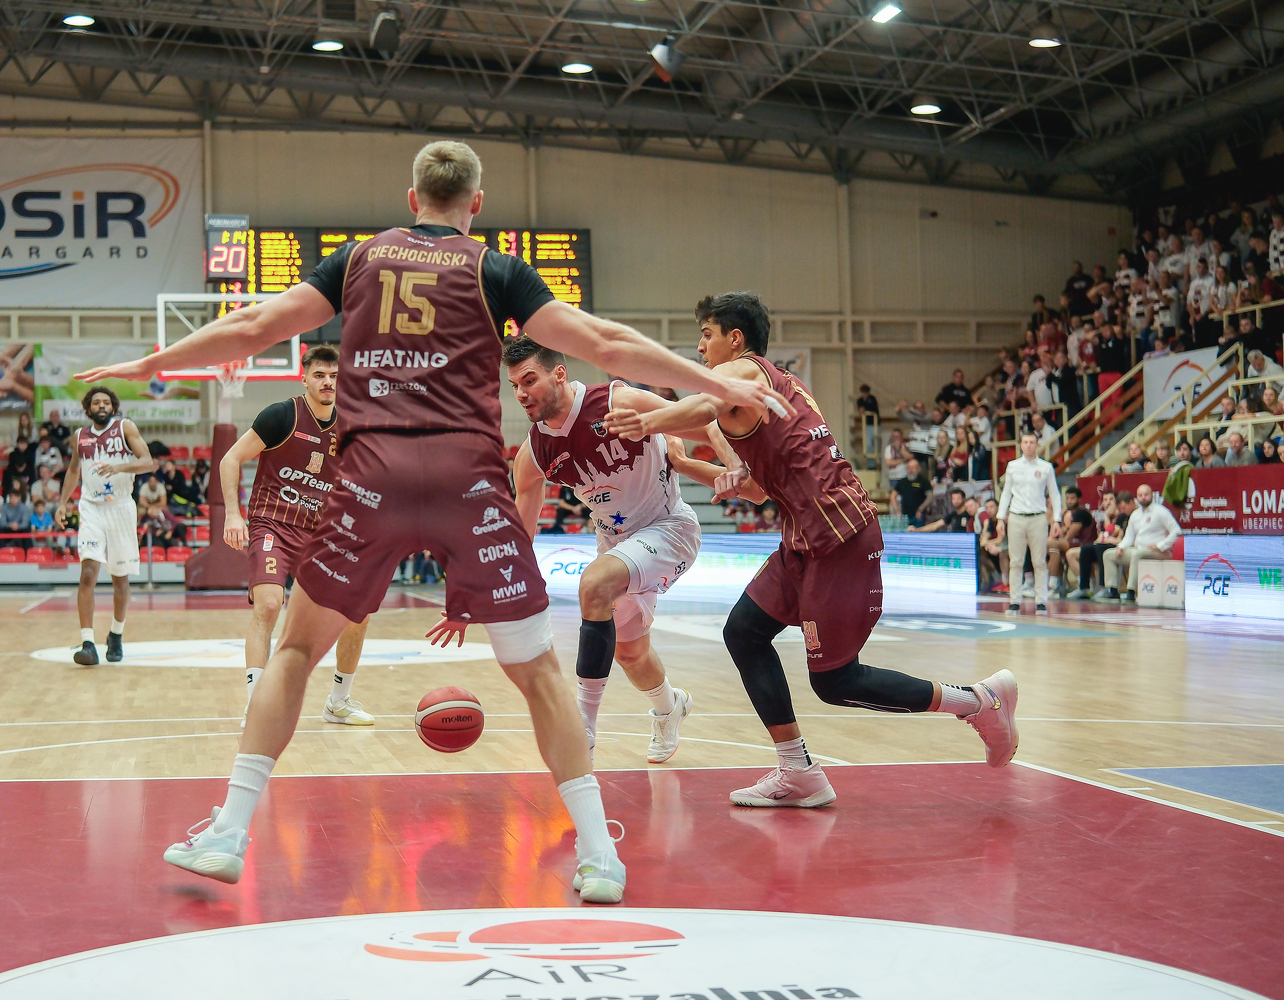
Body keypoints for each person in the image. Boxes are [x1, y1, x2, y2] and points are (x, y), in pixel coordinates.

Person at [77, 141, 785, 902]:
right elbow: (608, 342)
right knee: (537, 672)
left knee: (295, 652)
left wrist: (151, 365)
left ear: (412, 198)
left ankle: (228, 832)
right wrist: (713, 382)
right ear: (476, 204)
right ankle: (596, 855)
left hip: (372, 480)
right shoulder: (495, 268)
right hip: (467, 485)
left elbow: (256, 323)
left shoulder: (358, 259)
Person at [603, 290, 1019, 812]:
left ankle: (978, 702)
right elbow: (753, 485)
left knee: (836, 680)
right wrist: (691, 464)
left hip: (840, 538)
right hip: (804, 538)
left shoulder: (746, 373)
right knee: (744, 632)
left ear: (736, 338)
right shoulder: (766, 390)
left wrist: (646, 422)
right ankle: (797, 770)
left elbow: (703, 406)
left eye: (706, 335)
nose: (700, 347)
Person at [504, 336, 704, 766]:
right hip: (616, 544)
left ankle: (583, 727)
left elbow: (701, 419)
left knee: (593, 584)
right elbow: (523, 526)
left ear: (559, 374)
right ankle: (670, 707)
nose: (520, 392)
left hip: (668, 527)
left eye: (529, 380)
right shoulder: (535, 451)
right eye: (514, 385)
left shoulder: (615, 400)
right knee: (631, 653)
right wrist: (500, 585)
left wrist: (732, 461)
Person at [217, 345, 375, 729]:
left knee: (359, 612)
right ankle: (257, 704)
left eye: (334, 376)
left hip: (321, 532)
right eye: (320, 375)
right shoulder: (282, 415)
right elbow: (230, 459)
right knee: (269, 605)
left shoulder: (351, 427)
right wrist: (233, 515)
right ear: (304, 378)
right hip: (273, 523)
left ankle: (338, 701)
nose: (327, 382)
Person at [54, 387, 156, 666]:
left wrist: (119, 468)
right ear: (88, 409)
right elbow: (73, 470)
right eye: (96, 402)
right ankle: (88, 643)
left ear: (113, 407)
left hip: (121, 508)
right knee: (88, 572)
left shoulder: (125, 428)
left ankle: (116, 635)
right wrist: (62, 503)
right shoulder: (80, 436)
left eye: (106, 402)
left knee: (120, 580)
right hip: (91, 508)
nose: (102, 406)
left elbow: (148, 462)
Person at [996, 431, 1061, 614]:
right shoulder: (1012, 466)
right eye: (1025, 442)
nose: (1029, 445)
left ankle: (1041, 601)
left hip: (1038, 517)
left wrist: (1057, 519)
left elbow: (1054, 493)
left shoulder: (1046, 467)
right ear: (1021, 445)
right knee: (1016, 561)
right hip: (1016, 516)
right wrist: (1000, 517)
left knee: (1039, 561)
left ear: (1037, 444)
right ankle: (1014, 601)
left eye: (1032, 442)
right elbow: (1006, 493)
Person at [1097, 484, 1180, 601]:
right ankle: (1112, 590)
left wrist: (1160, 545)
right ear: (1137, 497)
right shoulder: (1135, 515)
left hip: (1158, 552)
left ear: (1152, 495)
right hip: (1139, 551)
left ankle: (1131, 591)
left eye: (1146, 495)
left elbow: (1176, 531)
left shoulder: (1161, 511)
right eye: (1140, 495)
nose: (1143, 498)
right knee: (1108, 554)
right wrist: (1121, 546)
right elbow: (1129, 536)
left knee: (1136, 554)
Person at [1048, 487, 1095, 598]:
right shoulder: (1072, 514)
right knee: (1053, 549)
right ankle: (1056, 585)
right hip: (1077, 544)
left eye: (1072, 498)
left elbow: (1069, 536)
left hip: (1086, 545)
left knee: (1052, 544)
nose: (1069, 501)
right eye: (1067, 498)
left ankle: (1054, 586)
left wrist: (1064, 531)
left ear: (1079, 499)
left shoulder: (1081, 513)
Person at [890, 457, 933, 526]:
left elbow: (930, 496)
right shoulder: (902, 482)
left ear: (919, 469)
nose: (911, 470)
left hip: (919, 515)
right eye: (909, 468)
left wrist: (920, 509)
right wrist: (897, 510)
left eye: (913, 468)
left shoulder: (924, 481)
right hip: (905, 516)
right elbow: (893, 495)